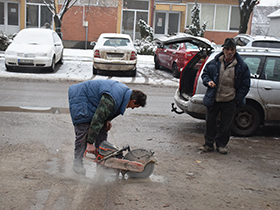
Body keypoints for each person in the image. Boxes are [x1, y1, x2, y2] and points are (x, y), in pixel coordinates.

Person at [68, 79, 147, 175]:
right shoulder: (113, 97)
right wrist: (90, 143)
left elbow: (106, 112)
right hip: (81, 96)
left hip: (93, 100)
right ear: (133, 101)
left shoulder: (123, 95)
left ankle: (102, 162)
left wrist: (107, 120)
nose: (133, 108)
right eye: (135, 106)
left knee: (103, 129)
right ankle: (77, 164)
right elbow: (99, 118)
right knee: (83, 130)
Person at [199, 38, 250, 154]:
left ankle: (221, 145)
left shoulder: (241, 67)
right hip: (214, 98)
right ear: (223, 50)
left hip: (229, 100)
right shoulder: (214, 63)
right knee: (210, 123)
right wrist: (208, 82)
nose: (230, 52)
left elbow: (245, 85)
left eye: (232, 49)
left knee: (225, 125)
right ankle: (209, 144)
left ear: (235, 51)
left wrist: (237, 99)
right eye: (227, 49)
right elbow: (205, 74)